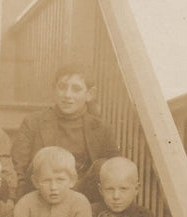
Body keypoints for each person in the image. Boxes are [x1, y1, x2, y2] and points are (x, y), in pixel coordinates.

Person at [11, 64, 120, 199]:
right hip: (41, 196)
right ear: (54, 89)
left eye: (76, 89)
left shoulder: (101, 129)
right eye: (62, 87)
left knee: (103, 165)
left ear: (89, 94)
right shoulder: (33, 123)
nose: (68, 95)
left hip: (83, 199)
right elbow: (18, 168)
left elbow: (115, 172)